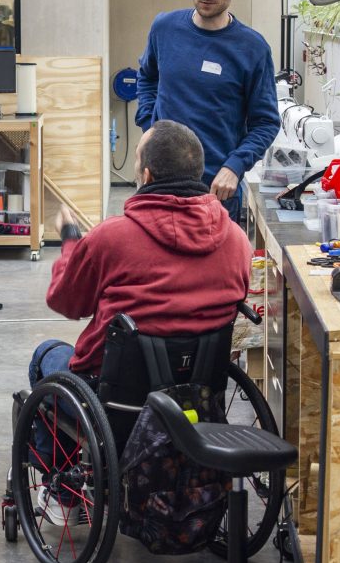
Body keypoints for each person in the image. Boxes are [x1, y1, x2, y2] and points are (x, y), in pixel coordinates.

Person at [28, 119, 253, 522]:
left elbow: (65, 301)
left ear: (146, 175)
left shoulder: (113, 237)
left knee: (46, 357)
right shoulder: (237, 240)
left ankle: (62, 493)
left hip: (118, 399)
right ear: (197, 173)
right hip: (197, 395)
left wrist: (70, 243)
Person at [136, 0, 280, 221]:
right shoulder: (164, 27)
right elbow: (148, 78)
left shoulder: (252, 48)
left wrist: (235, 167)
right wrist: (148, 126)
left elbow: (266, 122)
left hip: (216, 189)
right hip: (158, 182)